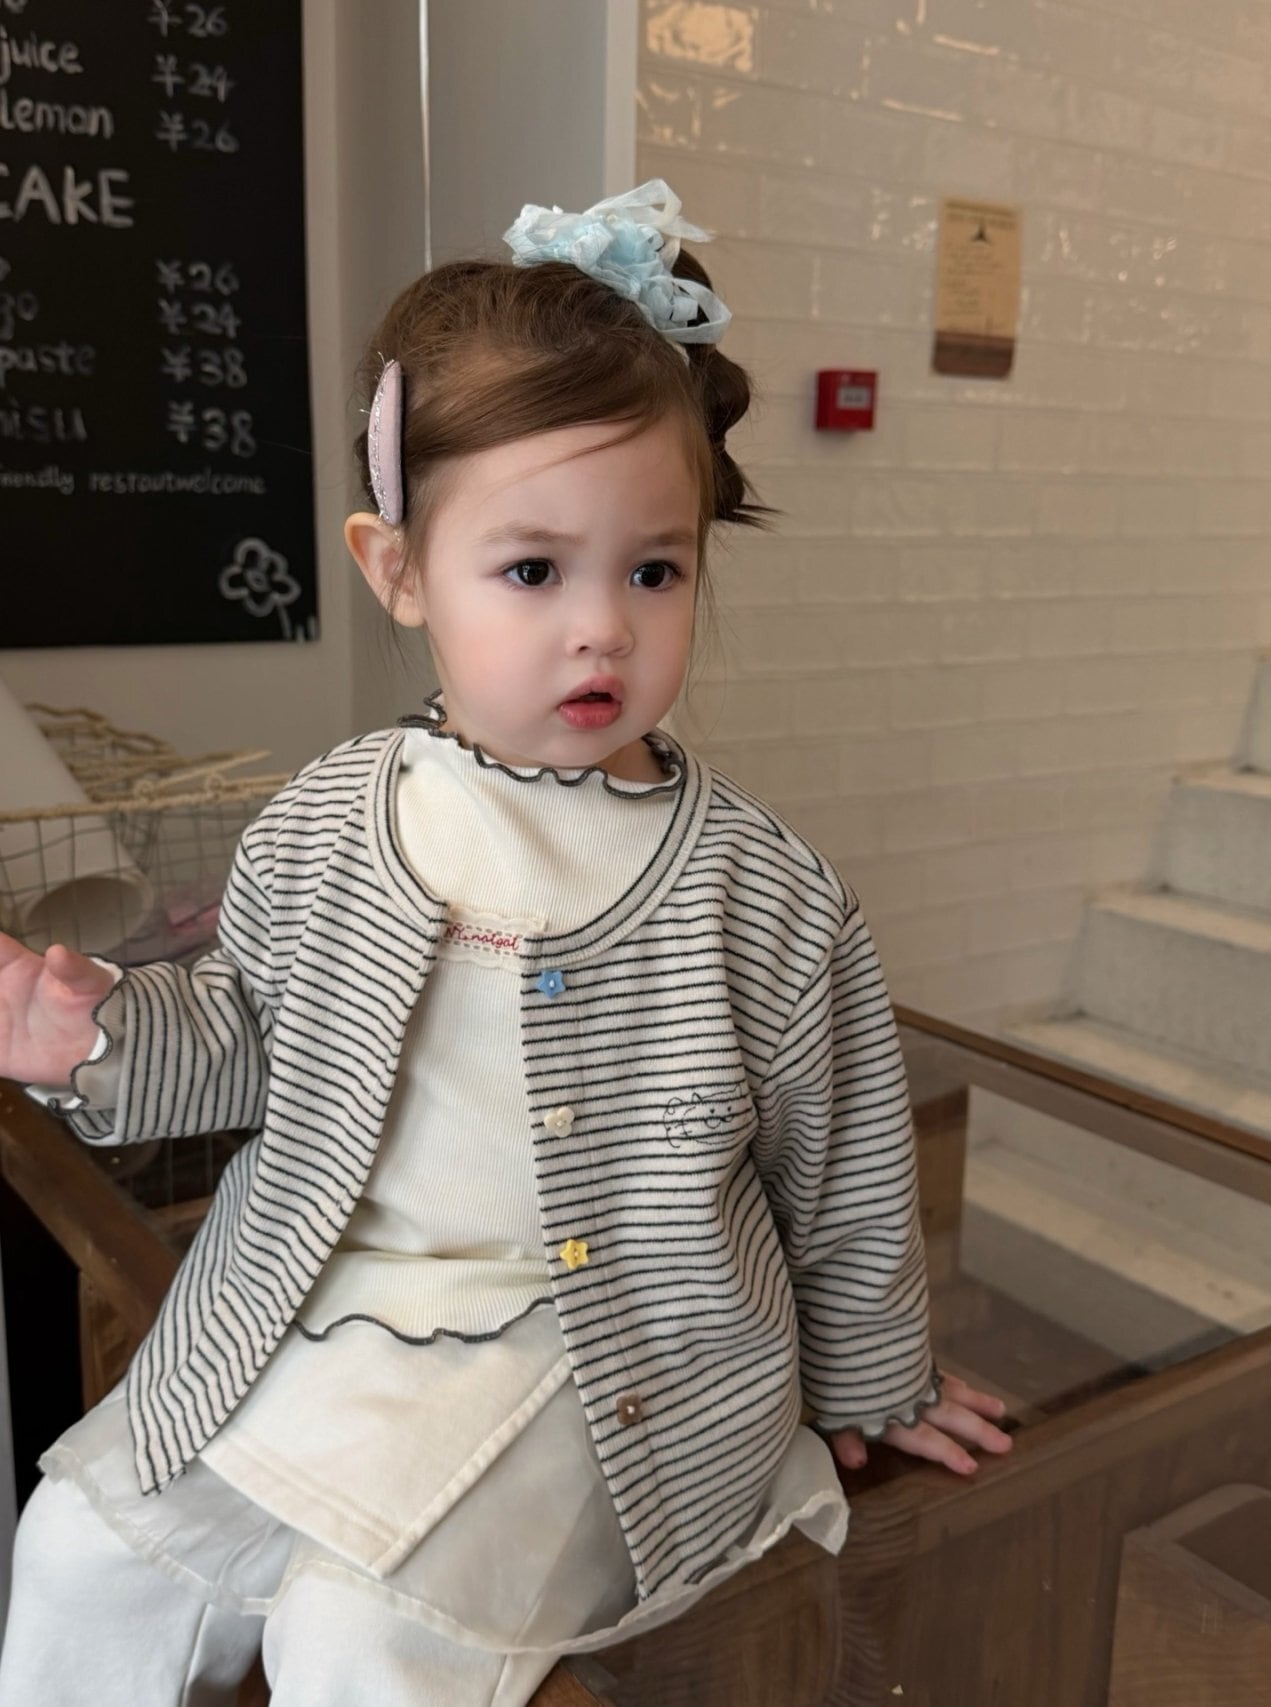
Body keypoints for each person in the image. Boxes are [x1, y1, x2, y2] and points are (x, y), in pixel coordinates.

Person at [0, 181, 1010, 1707]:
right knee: (79, 1548)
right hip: (317, 1310)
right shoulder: (328, 823)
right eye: (533, 571)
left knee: (357, 1637)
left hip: (594, 1360)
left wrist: (879, 1381)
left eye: (653, 569)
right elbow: (248, 1033)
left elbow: (845, 1161)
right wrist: (101, 1036)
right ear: (399, 568)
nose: (602, 626)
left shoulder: (763, 895)